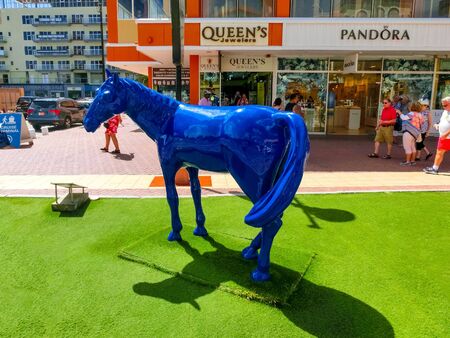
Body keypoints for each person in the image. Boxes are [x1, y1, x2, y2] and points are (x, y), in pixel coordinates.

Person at [424, 96, 450, 174]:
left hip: (446, 136)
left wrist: (446, 134)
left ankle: (435, 169)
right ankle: (435, 169)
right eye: (442, 105)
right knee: (439, 152)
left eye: (445, 105)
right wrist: (438, 125)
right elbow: (443, 121)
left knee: (440, 152)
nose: (443, 107)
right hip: (444, 137)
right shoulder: (445, 111)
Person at [399, 101, 424, 166]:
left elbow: (403, 118)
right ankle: (412, 161)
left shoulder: (411, 113)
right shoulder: (420, 115)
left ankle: (407, 161)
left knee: (407, 147)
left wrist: (399, 113)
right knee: (413, 147)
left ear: (411, 107)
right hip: (415, 133)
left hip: (408, 132)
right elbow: (422, 123)